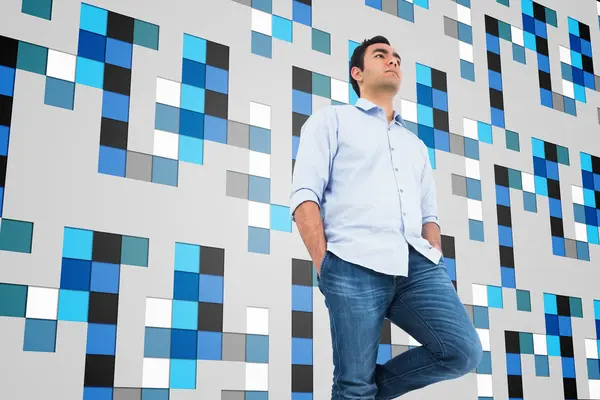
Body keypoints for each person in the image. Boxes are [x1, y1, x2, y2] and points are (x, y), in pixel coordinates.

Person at [289, 35, 483, 399]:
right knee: (353, 383)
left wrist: (434, 251)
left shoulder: (416, 145)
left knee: (462, 352)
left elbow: (430, 213)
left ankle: (357, 391)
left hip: (417, 267)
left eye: (396, 56)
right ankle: (355, 389)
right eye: (381, 55)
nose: (392, 60)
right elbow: (304, 197)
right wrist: (325, 264)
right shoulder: (331, 120)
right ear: (357, 73)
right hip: (352, 262)